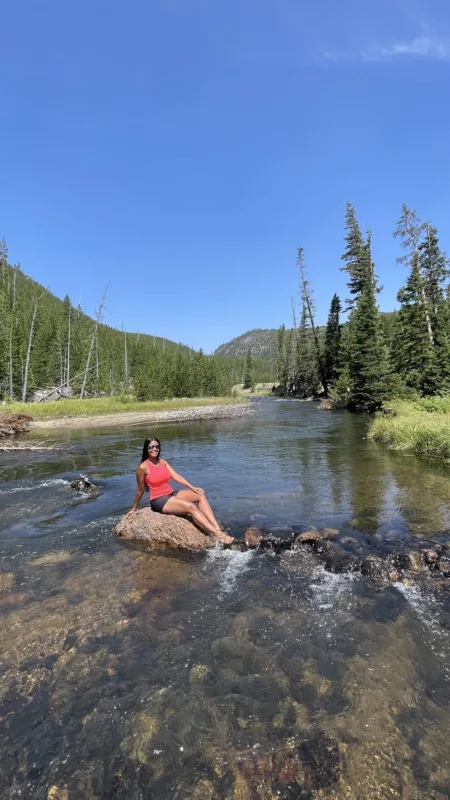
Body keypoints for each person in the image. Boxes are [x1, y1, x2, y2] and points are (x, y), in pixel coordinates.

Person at [126, 436, 234, 544]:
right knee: (191, 507)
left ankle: (216, 527)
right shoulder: (142, 467)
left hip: (170, 494)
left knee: (200, 494)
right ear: (146, 449)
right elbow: (140, 490)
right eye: (151, 447)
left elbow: (176, 476)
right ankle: (218, 535)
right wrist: (134, 508)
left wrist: (192, 487)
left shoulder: (162, 462)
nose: (154, 449)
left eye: (157, 446)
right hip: (158, 500)